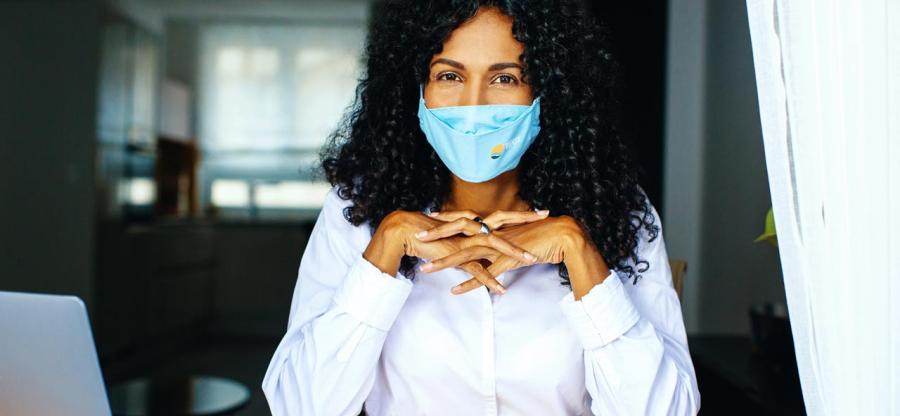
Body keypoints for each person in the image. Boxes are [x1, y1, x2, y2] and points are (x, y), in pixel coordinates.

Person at [262, 1, 700, 414]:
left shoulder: (617, 211)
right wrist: (385, 250)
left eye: (504, 78)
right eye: (449, 76)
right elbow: (299, 405)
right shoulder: (357, 210)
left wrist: (580, 254)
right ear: (416, 89)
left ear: (547, 90)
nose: (475, 104)